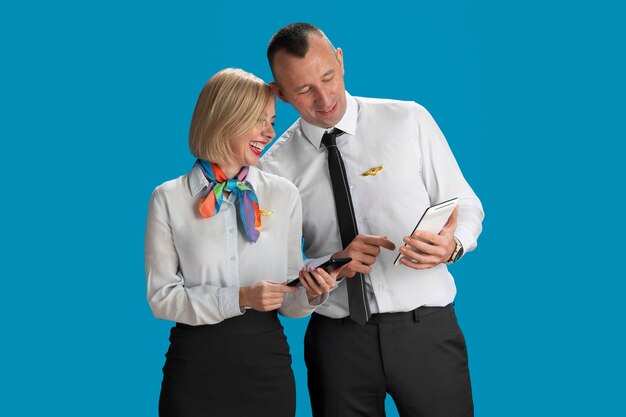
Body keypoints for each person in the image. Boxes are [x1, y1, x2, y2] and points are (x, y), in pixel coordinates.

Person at [258, 23, 485, 417]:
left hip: (426, 332)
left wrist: (454, 243)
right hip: (338, 345)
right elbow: (279, 278)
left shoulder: (407, 120)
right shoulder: (273, 168)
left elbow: (464, 204)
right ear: (279, 93)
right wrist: (329, 266)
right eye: (304, 90)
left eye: (328, 77)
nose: (325, 97)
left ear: (341, 60)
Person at [144, 68, 337, 417]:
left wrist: (312, 291)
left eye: (273, 121)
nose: (270, 132)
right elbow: (162, 299)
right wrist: (241, 297)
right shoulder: (168, 198)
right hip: (193, 367)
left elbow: (289, 304)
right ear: (225, 117)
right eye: (259, 120)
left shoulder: (283, 194)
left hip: (266, 365)